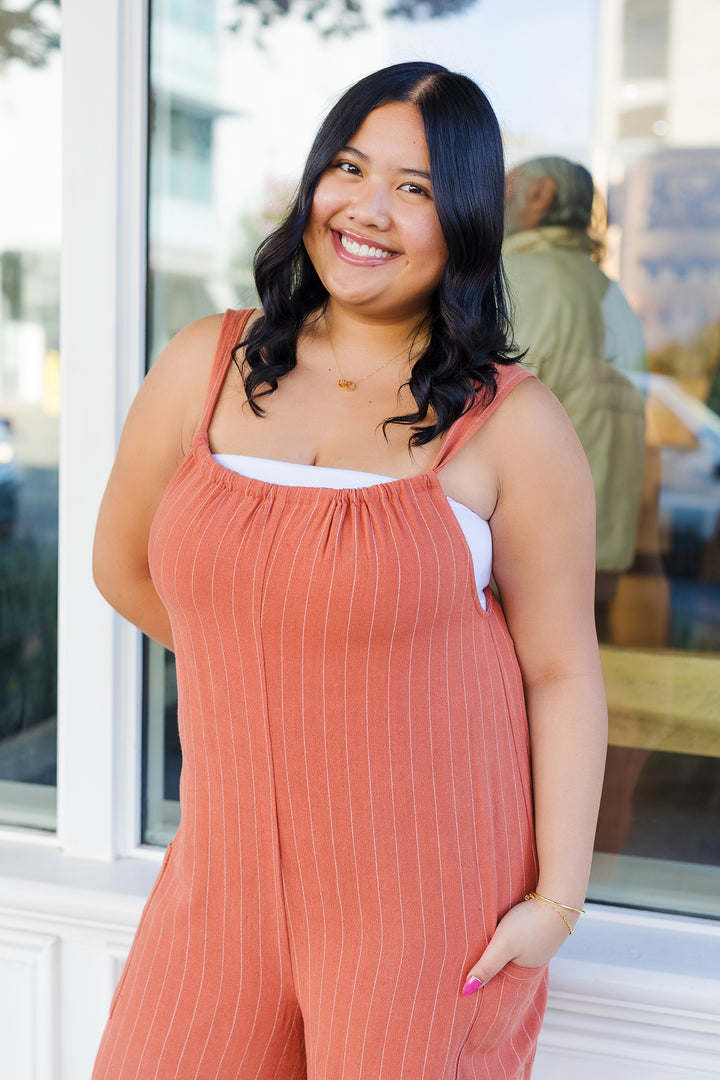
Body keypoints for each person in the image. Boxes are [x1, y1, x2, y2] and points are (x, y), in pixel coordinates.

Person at [91, 64, 607, 1080]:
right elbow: (123, 571)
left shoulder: (517, 424)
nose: (367, 210)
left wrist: (557, 902)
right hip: (222, 882)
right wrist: (287, 671)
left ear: (463, 217)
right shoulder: (203, 364)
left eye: (414, 188)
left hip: (429, 902)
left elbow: (561, 672)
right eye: (348, 168)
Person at [503, 155, 647, 633]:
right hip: (602, 553)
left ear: (541, 194)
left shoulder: (508, 277)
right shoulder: (610, 294)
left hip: (521, 557)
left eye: (505, 189)